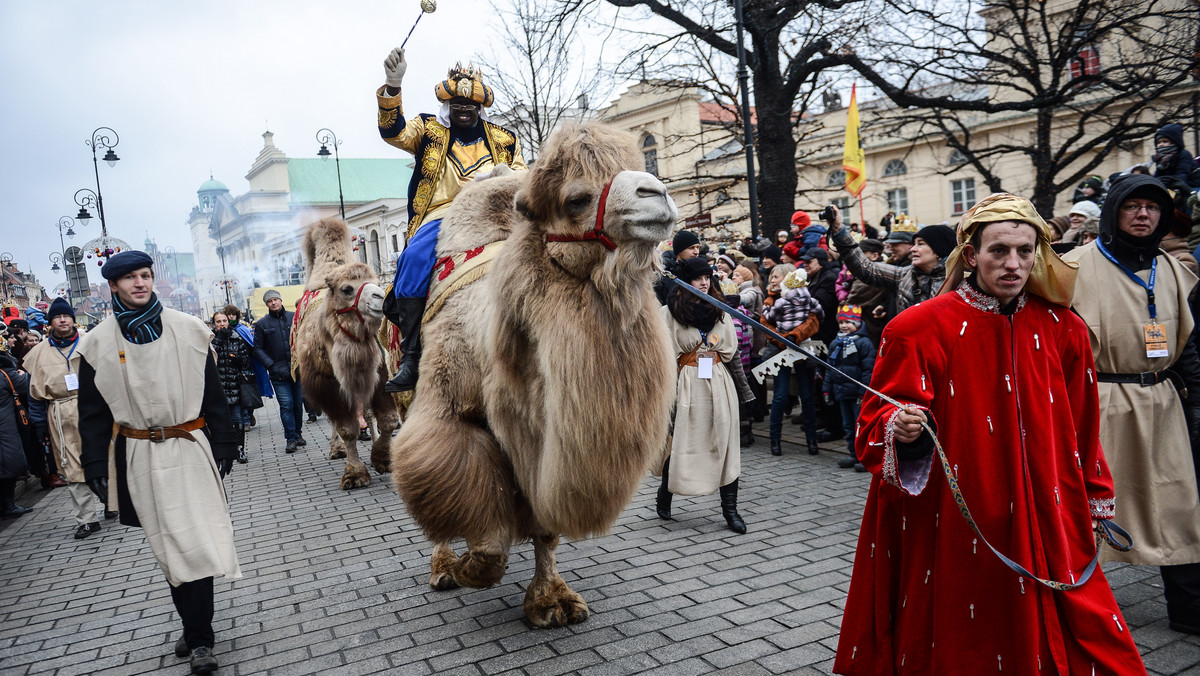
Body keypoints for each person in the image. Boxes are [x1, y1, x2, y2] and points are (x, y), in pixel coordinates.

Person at [834, 193, 1145, 674]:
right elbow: (874, 423)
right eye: (999, 250)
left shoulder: (1066, 329)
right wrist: (902, 427)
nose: (1014, 263)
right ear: (971, 255)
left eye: (1025, 251)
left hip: (1048, 506)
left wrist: (1094, 497)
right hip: (955, 513)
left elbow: (1084, 428)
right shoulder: (916, 327)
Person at [76, 251, 241, 675]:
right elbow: (92, 414)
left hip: (189, 445)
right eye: (129, 277)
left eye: (145, 275)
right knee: (168, 547)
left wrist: (225, 441)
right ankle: (194, 623)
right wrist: (94, 464)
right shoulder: (95, 345)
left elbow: (213, 394)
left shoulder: (189, 330)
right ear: (113, 286)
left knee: (194, 540)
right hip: (139, 453)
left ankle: (200, 639)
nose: (140, 283)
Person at [1063, 174, 1200, 635]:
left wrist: (1195, 403)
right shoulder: (1074, 267)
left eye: (1153, 208)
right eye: (1133, 206)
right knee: (1087, 508)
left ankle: (1188, 609)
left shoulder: (1176, 272)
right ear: (1113, 211)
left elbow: (1191, 347)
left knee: (1179, 503)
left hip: (1162, 401)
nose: (1144, 215)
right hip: (1096, 401)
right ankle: (1078, 609)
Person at [377, 50, 526, 392]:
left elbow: (522, 173)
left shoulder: (504, 139)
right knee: (413, 258)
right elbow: (393, 131)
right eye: (457, 103)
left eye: (469, 104)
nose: (463, 108)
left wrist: (505, 174)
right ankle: (413, 354)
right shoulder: (429, 129)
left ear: (479, 107)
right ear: (449, 104)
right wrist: (393, 85)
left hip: (496, 211)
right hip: (443, 215)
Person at [656, 257, 746, 534]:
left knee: (727, 445)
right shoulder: (668, 313)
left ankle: (730, 510)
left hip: (718, 383)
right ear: (686, 282)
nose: (705, 282)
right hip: (686, 384)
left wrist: (746, 391)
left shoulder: (721, 311)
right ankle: (665, 492)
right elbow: (661, 359)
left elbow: (733, 356)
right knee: (682, 442)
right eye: (698, 278)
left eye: (707, 277)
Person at [23, 298, 112, 537]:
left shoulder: (89, 343)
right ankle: (86, 519)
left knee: (105, 455)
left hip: (93, 407)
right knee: (71, 467)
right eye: (57, 317)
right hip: (60, 413)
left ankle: (111, 502)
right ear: (51, 322)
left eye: (66, 316)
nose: (62, 320)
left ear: (73, 319)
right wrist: (39, 424)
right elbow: (34, 396)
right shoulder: (39, 352)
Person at [828, 212, 953, 317]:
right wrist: (839, 230)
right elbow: (866, 268)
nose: (913, 249)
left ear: (939, 249)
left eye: (920, 244)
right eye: (914, 243)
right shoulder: (905, 275)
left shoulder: (958, 280)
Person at [252, 289, 306, 453]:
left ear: (281, 300)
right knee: (286, 405)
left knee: (297, 404)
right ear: (267, 304)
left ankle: (298, 433)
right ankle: (290, 439)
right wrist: (271, 365)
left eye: (276, 299)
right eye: (270, 301)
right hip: (278, 373)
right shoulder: (262, 324)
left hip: (297, 370)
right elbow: (258, 348)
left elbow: (304, 338)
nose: (274, 303)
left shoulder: (294, 317)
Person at [824, 305, 875, 472]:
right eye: (842, 322)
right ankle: (853, 454)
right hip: (842, 392)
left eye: (849, 322)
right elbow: (830, 368)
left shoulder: (864, 343)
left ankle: (865, 457)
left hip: (857, 394)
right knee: (847, 425)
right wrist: (827, 389)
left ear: (858, 324)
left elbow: (868, 370)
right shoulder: (835, 343)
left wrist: (863, 392)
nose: (844, 326)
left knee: (859, 425)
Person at [222, 304, 271, 428]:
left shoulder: (243, 329)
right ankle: (245, 420)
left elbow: (253, 346)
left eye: (233, 314)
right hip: (232, 368)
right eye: (229, 314)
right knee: (239, 395)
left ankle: (249, 414)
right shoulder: (224, 332)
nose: (231, 316)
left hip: (246, 365)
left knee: (248, 393)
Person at [211, 313, 250, 464]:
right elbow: (209, 358)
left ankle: (240, 448)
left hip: (235, 385)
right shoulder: (210, 339)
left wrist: (239, 359)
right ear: (214, 324)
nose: (222, 324)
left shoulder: (236, 337)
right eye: (218, 321)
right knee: (221, 422)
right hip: (218, 388)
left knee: (238, 419)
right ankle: (224, 451)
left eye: (224, 321)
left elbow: (246, 362)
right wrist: (220, 339)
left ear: (229, 322)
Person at [0, 352, 34, 519]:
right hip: (5, 430)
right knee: (9, 464)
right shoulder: (4, 373)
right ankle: (9, 505)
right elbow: (26, 384)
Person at [654, 230, 702, 305]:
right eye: (691, 248)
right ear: (679, 250)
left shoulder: (703, 272)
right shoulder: (663, 277)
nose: (696, 252)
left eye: (698, 247)